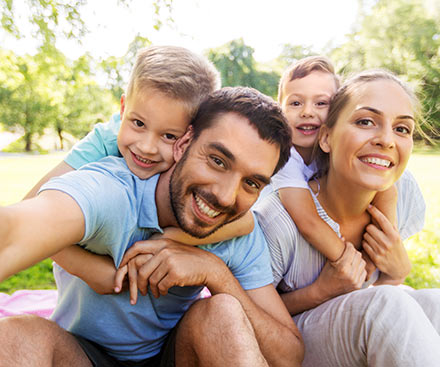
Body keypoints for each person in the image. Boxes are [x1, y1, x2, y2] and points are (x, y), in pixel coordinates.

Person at [0, 87, 303, 366]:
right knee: (15, 335)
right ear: (183, 143)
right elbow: (17, 229)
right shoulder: (113, 191)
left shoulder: (236, 230)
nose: (225, 196)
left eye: (251, 183)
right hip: (82, 354)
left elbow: (288, 355)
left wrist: (215, 273)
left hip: (172, 355)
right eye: (217, 161)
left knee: (222, 312)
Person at [21, 45, 259, 297]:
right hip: (83, 299)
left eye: (169, 136)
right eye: (138, 123)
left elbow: (245, 223)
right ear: (123, 108)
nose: (146, 147)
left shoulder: (193, 163)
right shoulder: (106, 140)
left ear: (191, 137)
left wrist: (169, 241)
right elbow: (28, 214)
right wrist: (87, 268)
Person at [254, 69, 440, 366]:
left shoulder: (400, 193)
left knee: (435, 303)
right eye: (366, 121)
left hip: (357, 327)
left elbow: (374, 291)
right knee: (387, 306)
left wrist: (396, 273)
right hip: (290, 340)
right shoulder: (278, 218)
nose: (386, 140)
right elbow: (249, 312)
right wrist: (322, 291)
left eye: (402, 129)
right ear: (326, 137)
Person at [272, 56, 396, 273]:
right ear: (279, 110)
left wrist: (387, 246)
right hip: (279, 250)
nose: (307, 112)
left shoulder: (338, 148)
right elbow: (308, 221)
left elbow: (387, 189)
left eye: (321, 103)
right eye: (295, 103)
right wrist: (353, 264)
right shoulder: (284, 156)